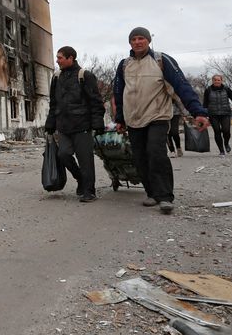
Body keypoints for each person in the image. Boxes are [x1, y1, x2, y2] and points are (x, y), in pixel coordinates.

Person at [113, 27, 209, 214]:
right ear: (130, 42)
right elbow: (119, 92)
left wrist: (198, 111)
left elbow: (182, 86)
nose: (137, 42)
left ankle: (165, 196)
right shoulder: (124, 64)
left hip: (157, 115)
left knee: (156, 153)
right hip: (133, 118)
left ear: (148, 41)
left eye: (141, 38)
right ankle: (152, 193)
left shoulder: (161, 60)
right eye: (134, 39)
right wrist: (120, 119)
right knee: (140, 157)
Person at [44, 46, 105, 202]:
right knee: (63, 154)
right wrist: (50, 123)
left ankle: (89, 191)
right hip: (63, 126)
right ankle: (80, 179)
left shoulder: (84, 75)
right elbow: (53, 103)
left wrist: (97, 122)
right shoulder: (56, 77)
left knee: (86, 160)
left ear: (70, 58)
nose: (57, 61)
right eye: (57, 58)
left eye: (60, 58)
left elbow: (96, 101)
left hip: (82, 126)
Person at [203, 74, 232, 156]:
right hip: (213, 114)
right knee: (217, 132)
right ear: (212, 81)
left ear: (221, 81)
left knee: (226, 130)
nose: (217, 81)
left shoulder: (227, 89)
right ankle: (221, 151)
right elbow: (205, 104)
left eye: (218, 80)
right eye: (215, 80)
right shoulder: (208, 90)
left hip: (225, 113)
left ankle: (226, 143)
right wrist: (204, 115)